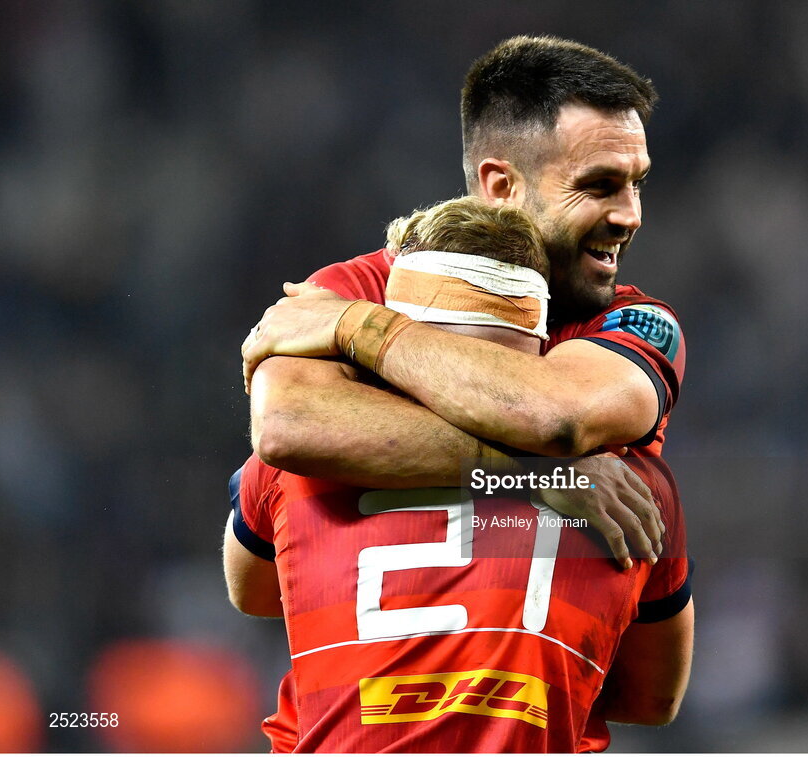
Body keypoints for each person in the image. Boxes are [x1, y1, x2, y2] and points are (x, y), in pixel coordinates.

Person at [224, 196, 692, 752]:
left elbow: (251, 592)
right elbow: (653, 699)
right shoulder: (633, 489)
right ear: (541, 348)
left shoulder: (294, 470)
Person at [242, 35, 683, 570]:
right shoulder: (358, 286)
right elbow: (288, 426)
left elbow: (556, 419)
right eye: (600, 185)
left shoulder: (635, 324)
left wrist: (359, 330)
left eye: (637, 183)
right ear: (500, 185)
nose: (630, 215)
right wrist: (540, 477)